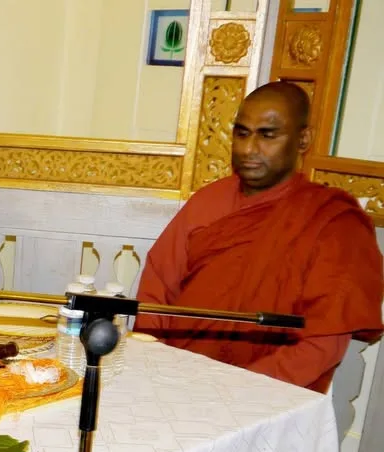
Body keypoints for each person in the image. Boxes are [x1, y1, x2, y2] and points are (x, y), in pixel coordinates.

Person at [135, 81, 383, 392]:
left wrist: (236, 388)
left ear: (302, 139)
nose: (249, 149)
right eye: (241, 133)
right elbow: (157, 291)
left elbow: (323, 343)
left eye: (267, 135)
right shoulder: (210, 200)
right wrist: (155, 360)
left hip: (268, 394)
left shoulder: (333, 224)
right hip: (175, 377)